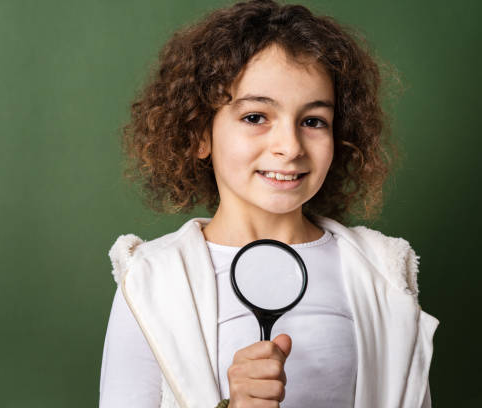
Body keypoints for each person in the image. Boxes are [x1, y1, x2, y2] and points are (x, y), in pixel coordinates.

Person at [98, 0, 439, 407]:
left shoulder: (382, 272)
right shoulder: (152, 282)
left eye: (313, 121)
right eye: (256, 117)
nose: (289, 147)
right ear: (200, 134)